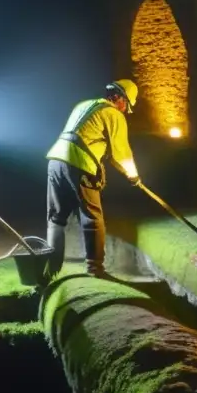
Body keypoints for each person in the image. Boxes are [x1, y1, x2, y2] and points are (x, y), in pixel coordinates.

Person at [44, 79, 140, 280]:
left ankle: (50, 270)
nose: (125, 111)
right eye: (126, 106)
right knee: (93, 217)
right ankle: (95, 269)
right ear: (120, 99)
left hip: (56, 160)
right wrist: (134, 176)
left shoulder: (83, 105)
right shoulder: (113, 114)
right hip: (79, 165)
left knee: (56, 218)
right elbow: (121, 153)